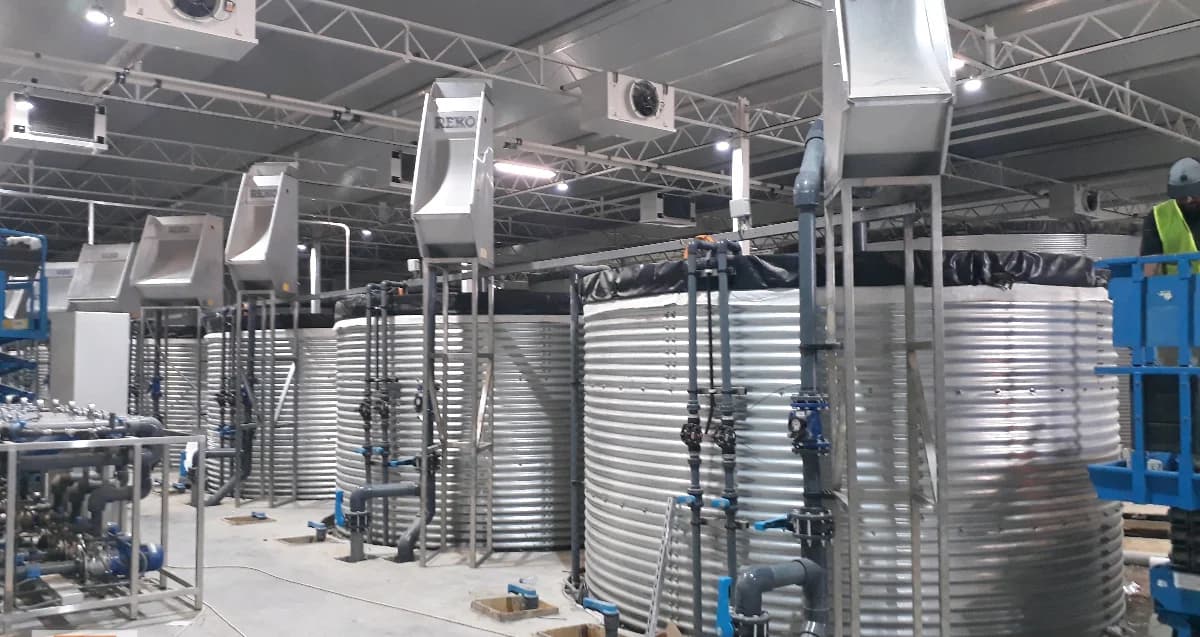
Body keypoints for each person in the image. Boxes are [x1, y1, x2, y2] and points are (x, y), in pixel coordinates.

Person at [1142, 157, 1200, 275]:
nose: (1189, 200)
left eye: (1194, 194)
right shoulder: (1158, 215)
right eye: (1182, 196)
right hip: (1178, 285)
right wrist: (1148, 285)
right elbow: (1150, 263)